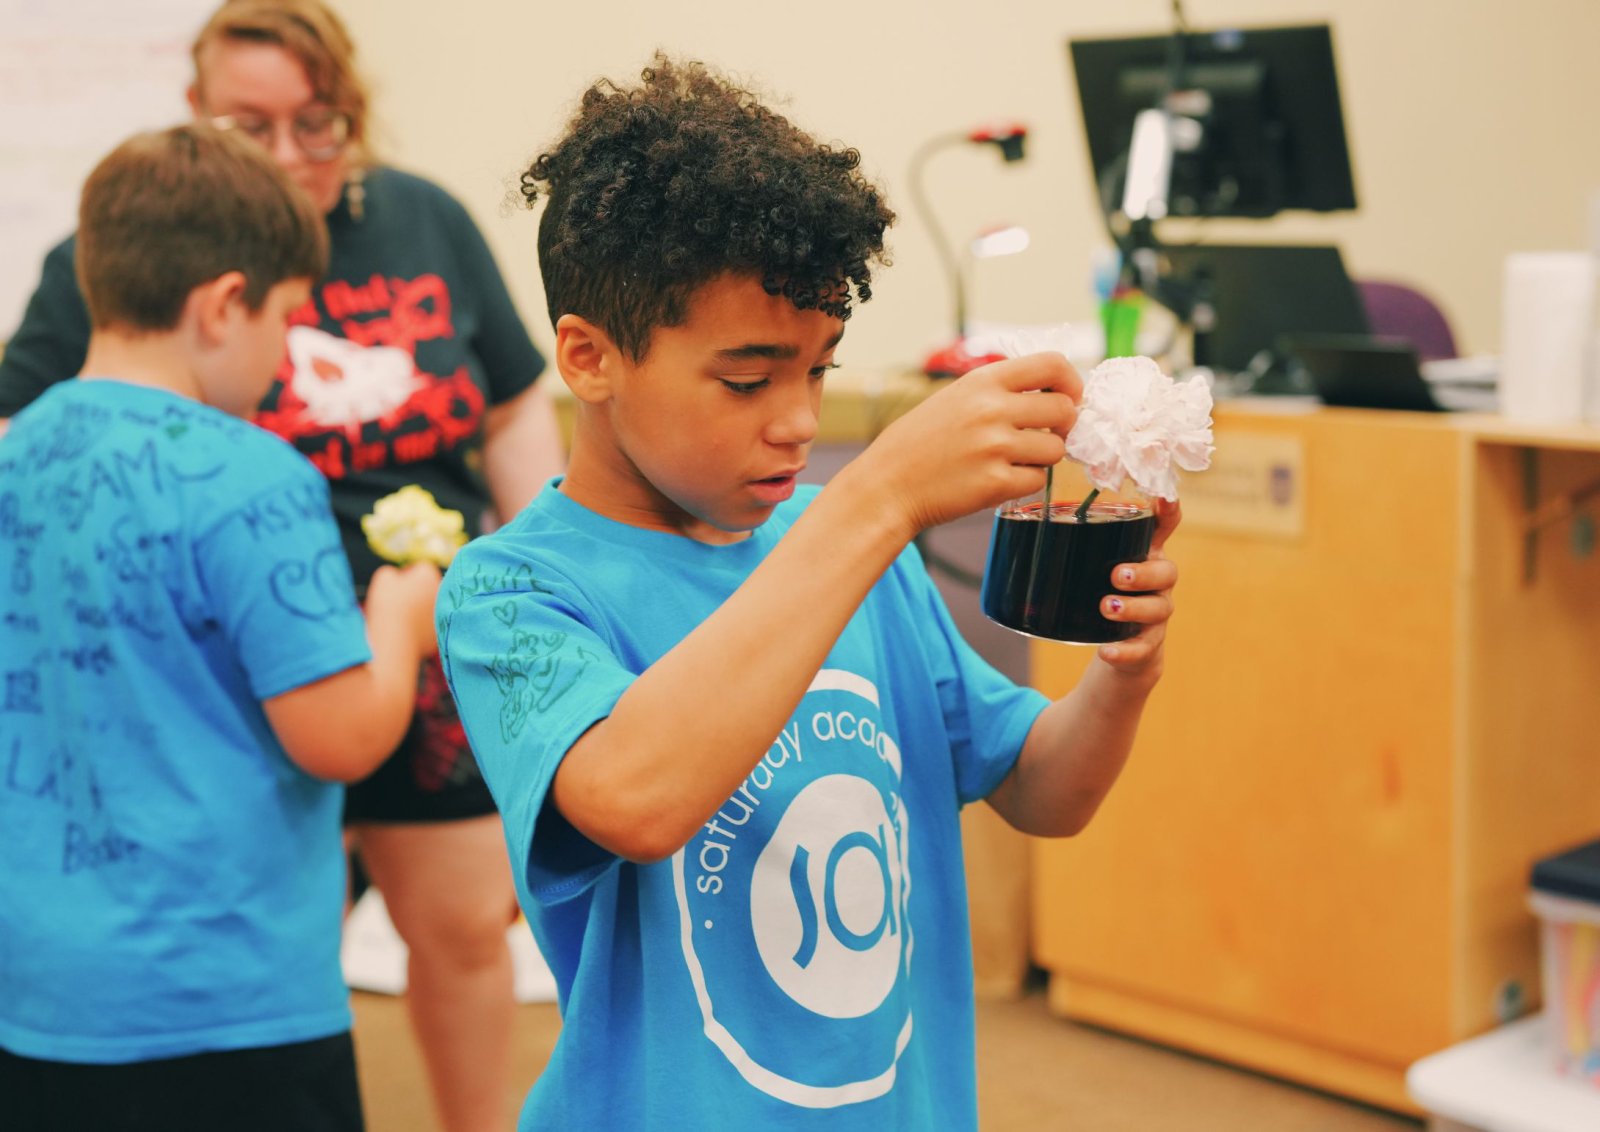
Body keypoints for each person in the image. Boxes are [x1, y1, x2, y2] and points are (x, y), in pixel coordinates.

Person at [437, 56, 1183, 1130]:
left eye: (819, 369)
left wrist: (1123, 675)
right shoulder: (513, 590)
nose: (794, 419)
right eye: (746, 379)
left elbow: (1042, 790)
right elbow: (636, 798)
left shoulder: (847, 546)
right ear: (589, 358)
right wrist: (872, 498)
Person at [0, 4, 559, 1128]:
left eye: (318, 124)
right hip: (239, 980)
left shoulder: (425, 221)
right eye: (253, 126)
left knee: (449, 924)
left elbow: (513, 412)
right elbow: (341, 735)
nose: (293, 152)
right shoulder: (257, 475)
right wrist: (399, 616)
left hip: (51, 991)